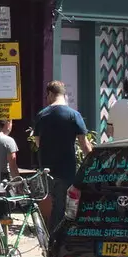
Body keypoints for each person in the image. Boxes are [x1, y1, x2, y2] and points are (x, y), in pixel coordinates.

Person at [34, 81, 92, 234]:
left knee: (50, 205)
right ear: (64, 95)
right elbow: (84, 144)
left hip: (46, 169)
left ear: (50, 94)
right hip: (66, 168)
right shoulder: (74, 115)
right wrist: (93, 164)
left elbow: (38, 142)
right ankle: (56, 240)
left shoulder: (42, 115)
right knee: (63, 206)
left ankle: (49, 238)